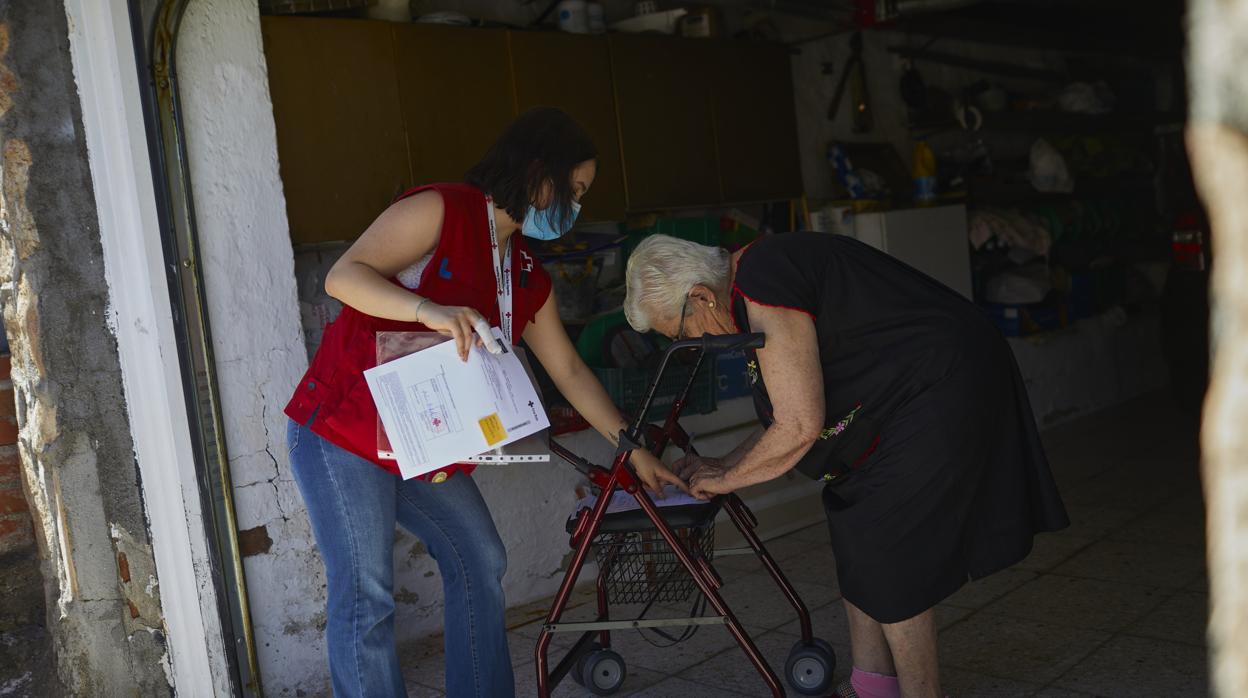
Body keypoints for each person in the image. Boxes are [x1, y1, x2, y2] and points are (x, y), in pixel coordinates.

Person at [283, 108, 685, 698]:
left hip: (420, 444)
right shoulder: (442, 210)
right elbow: (343, 277)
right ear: (537, 172)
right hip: (343, 431)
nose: (575, 206)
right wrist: (431, 312)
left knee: (480, 559)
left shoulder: (524, 269)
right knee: (366, 592)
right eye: (573, 190)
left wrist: (632, 448)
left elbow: (569, 370)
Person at [624, 232, 1069, 698]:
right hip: (906, 388)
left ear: (699, 296)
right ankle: (872, 685)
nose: (689, 344)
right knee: (855, 520)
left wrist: (727, 479)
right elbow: (787, 414)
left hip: (941, 380)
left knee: (888, 548)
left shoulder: (763, 282)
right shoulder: (749, 282)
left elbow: (798, 425)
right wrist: (721, 464)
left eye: (678, 331)